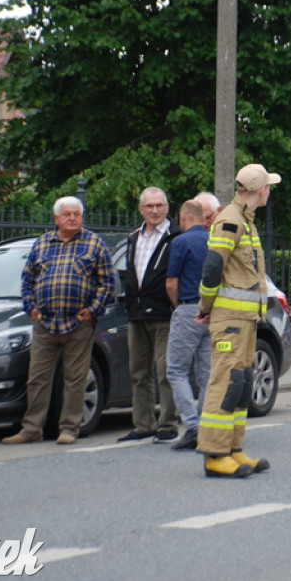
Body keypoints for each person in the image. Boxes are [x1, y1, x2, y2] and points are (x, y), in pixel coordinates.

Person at [2, 196, 114, 445]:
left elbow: (107, 283)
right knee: (37, 378)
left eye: (76, 214)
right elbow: (27, 280)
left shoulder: (95, 243)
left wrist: (92, 310)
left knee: (75, 378)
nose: (72, 218)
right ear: (56, 218)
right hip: (45, 322)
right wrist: (31, 308)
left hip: (78, 323)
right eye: (67, 214)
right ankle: (31, 429)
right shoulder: (42, 243)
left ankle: (69, 428)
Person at [196, 163, 280, 478]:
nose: (269, 191)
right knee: (226, 384)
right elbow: (212, 268)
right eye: (268, 186)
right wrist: (206, 306)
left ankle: (233, 449)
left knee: (242, 384)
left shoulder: (245, 220)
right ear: (260, 190)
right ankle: (215, 455)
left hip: (244, 319)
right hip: (230, 320)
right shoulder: (231, 220)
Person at [119, 187, 181, 443]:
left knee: (166, 372)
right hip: (137, 313)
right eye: (149, 206)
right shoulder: (134, 237)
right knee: (138, 372)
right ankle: (143, 424)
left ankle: (168, 424)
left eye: (159, 205)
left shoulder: (175, 236)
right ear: (141, 209)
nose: (154, 211)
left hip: (165, 313)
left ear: (167, 207)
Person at [164, 200, 211, 451]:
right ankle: (206, 424)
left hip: (189, 308)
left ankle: (192, 426)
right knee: (206, 373)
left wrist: (178, 306)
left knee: (176, 370)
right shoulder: (214, 241)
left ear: (183, 217)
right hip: (213, 311)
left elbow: (171, 283)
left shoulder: (180, 242)